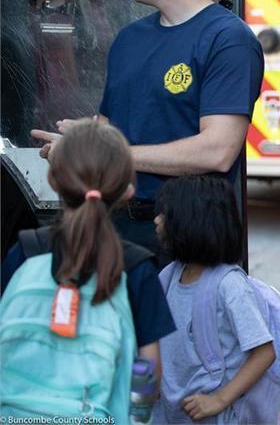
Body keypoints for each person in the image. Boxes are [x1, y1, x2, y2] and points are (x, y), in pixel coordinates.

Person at [31, 0, 263, 266]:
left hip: (188, 236)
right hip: (115, 227)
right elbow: (112, 128)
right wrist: (80, 143)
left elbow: (217, 151)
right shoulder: (129, 40)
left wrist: (112, 153)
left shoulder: (227, 39)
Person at [1, 119, 174, 419]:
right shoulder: (138, 269)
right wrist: (137, 414)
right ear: (127, 191)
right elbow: (149, 368)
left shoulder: (24, 253)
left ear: (54, 180)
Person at [152, 175, 275, 423]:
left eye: (166, 213)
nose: (156, 219)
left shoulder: (229, 286)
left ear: (191, 221)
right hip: (169, 413)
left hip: (215, 414)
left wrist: (218, 400)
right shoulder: (168, 277)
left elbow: (264, 352)